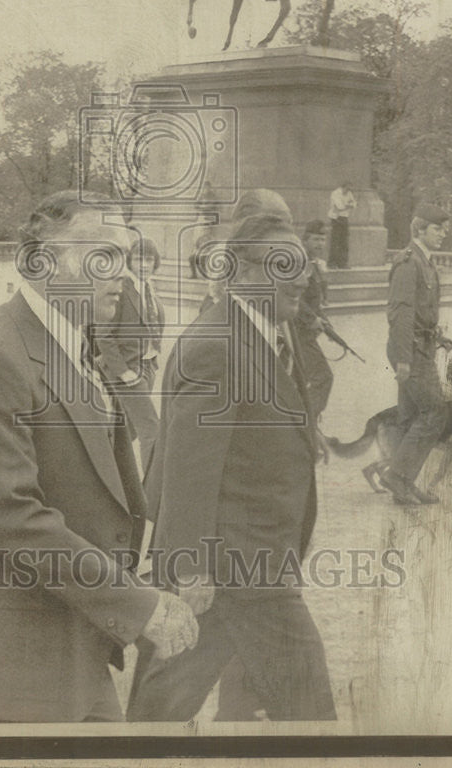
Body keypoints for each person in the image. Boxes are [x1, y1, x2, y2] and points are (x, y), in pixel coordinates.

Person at [0, 192, 198, 723]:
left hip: (65, 645)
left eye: (126, 257)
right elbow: (17, 518)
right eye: (104, 256)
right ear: (42, 262)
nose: (123, 273)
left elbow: (101, 497)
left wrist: (153, 578)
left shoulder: (73, 343)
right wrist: (139, 607)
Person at [128, 214, 336, 722]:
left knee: (163, 701)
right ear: (239, 270)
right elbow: (187, 469)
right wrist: (192, 568)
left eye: (303, 264)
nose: (302, 276)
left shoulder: (270, 332)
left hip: (245, 567)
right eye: (284, 265)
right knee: (310, 707)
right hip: (238, 568)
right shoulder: (216, 346)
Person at [378, 204, 452, 506]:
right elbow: (401, 312)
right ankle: (398, 476)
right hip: (411, 351)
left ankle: (403, 483)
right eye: (438, 228)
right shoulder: (409, 262)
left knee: (409, 418)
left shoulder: (424, 261)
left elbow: (421, 311)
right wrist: (405, 358)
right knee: (435, 413)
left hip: (418, 346)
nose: (444, 233)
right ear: (420, 228)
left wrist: (440, 337)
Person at [95, 237, 165, 470]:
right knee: (151, 429)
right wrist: (123, 372)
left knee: (128, 430)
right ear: (130, 261)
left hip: (147, 367)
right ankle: (151, 492)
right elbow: (103, 334)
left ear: (155, 263)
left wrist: (153, 358)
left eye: (148, 260)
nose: (144, 265)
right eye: (138, 259)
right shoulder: (122, 287)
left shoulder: (149, 288)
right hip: (127, 370)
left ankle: (104, 473)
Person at [295, 221, 334, 428]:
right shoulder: (300, 262)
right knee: (323, 378)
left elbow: (313, 299)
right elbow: (294, 297)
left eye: (323, 239)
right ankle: (306, 425)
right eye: (316, 239)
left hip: (305, 333)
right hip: (296, 333)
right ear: (305, 239)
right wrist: (312, 319)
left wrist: (325, 322)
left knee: (300, 381)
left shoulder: (314, 263)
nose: (321, 243)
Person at [327, 181, 356, 269]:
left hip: (344, 218)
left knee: (344, 242)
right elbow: (340, 206)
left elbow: (354, 204)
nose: (349, 190)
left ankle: (343, 263)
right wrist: (349, 205)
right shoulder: (335, 193)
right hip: (336, 218)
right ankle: (332, 263)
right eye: (348, 188)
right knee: (335, 241)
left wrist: (349, 205)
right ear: (344, 186)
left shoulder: (349, 193)